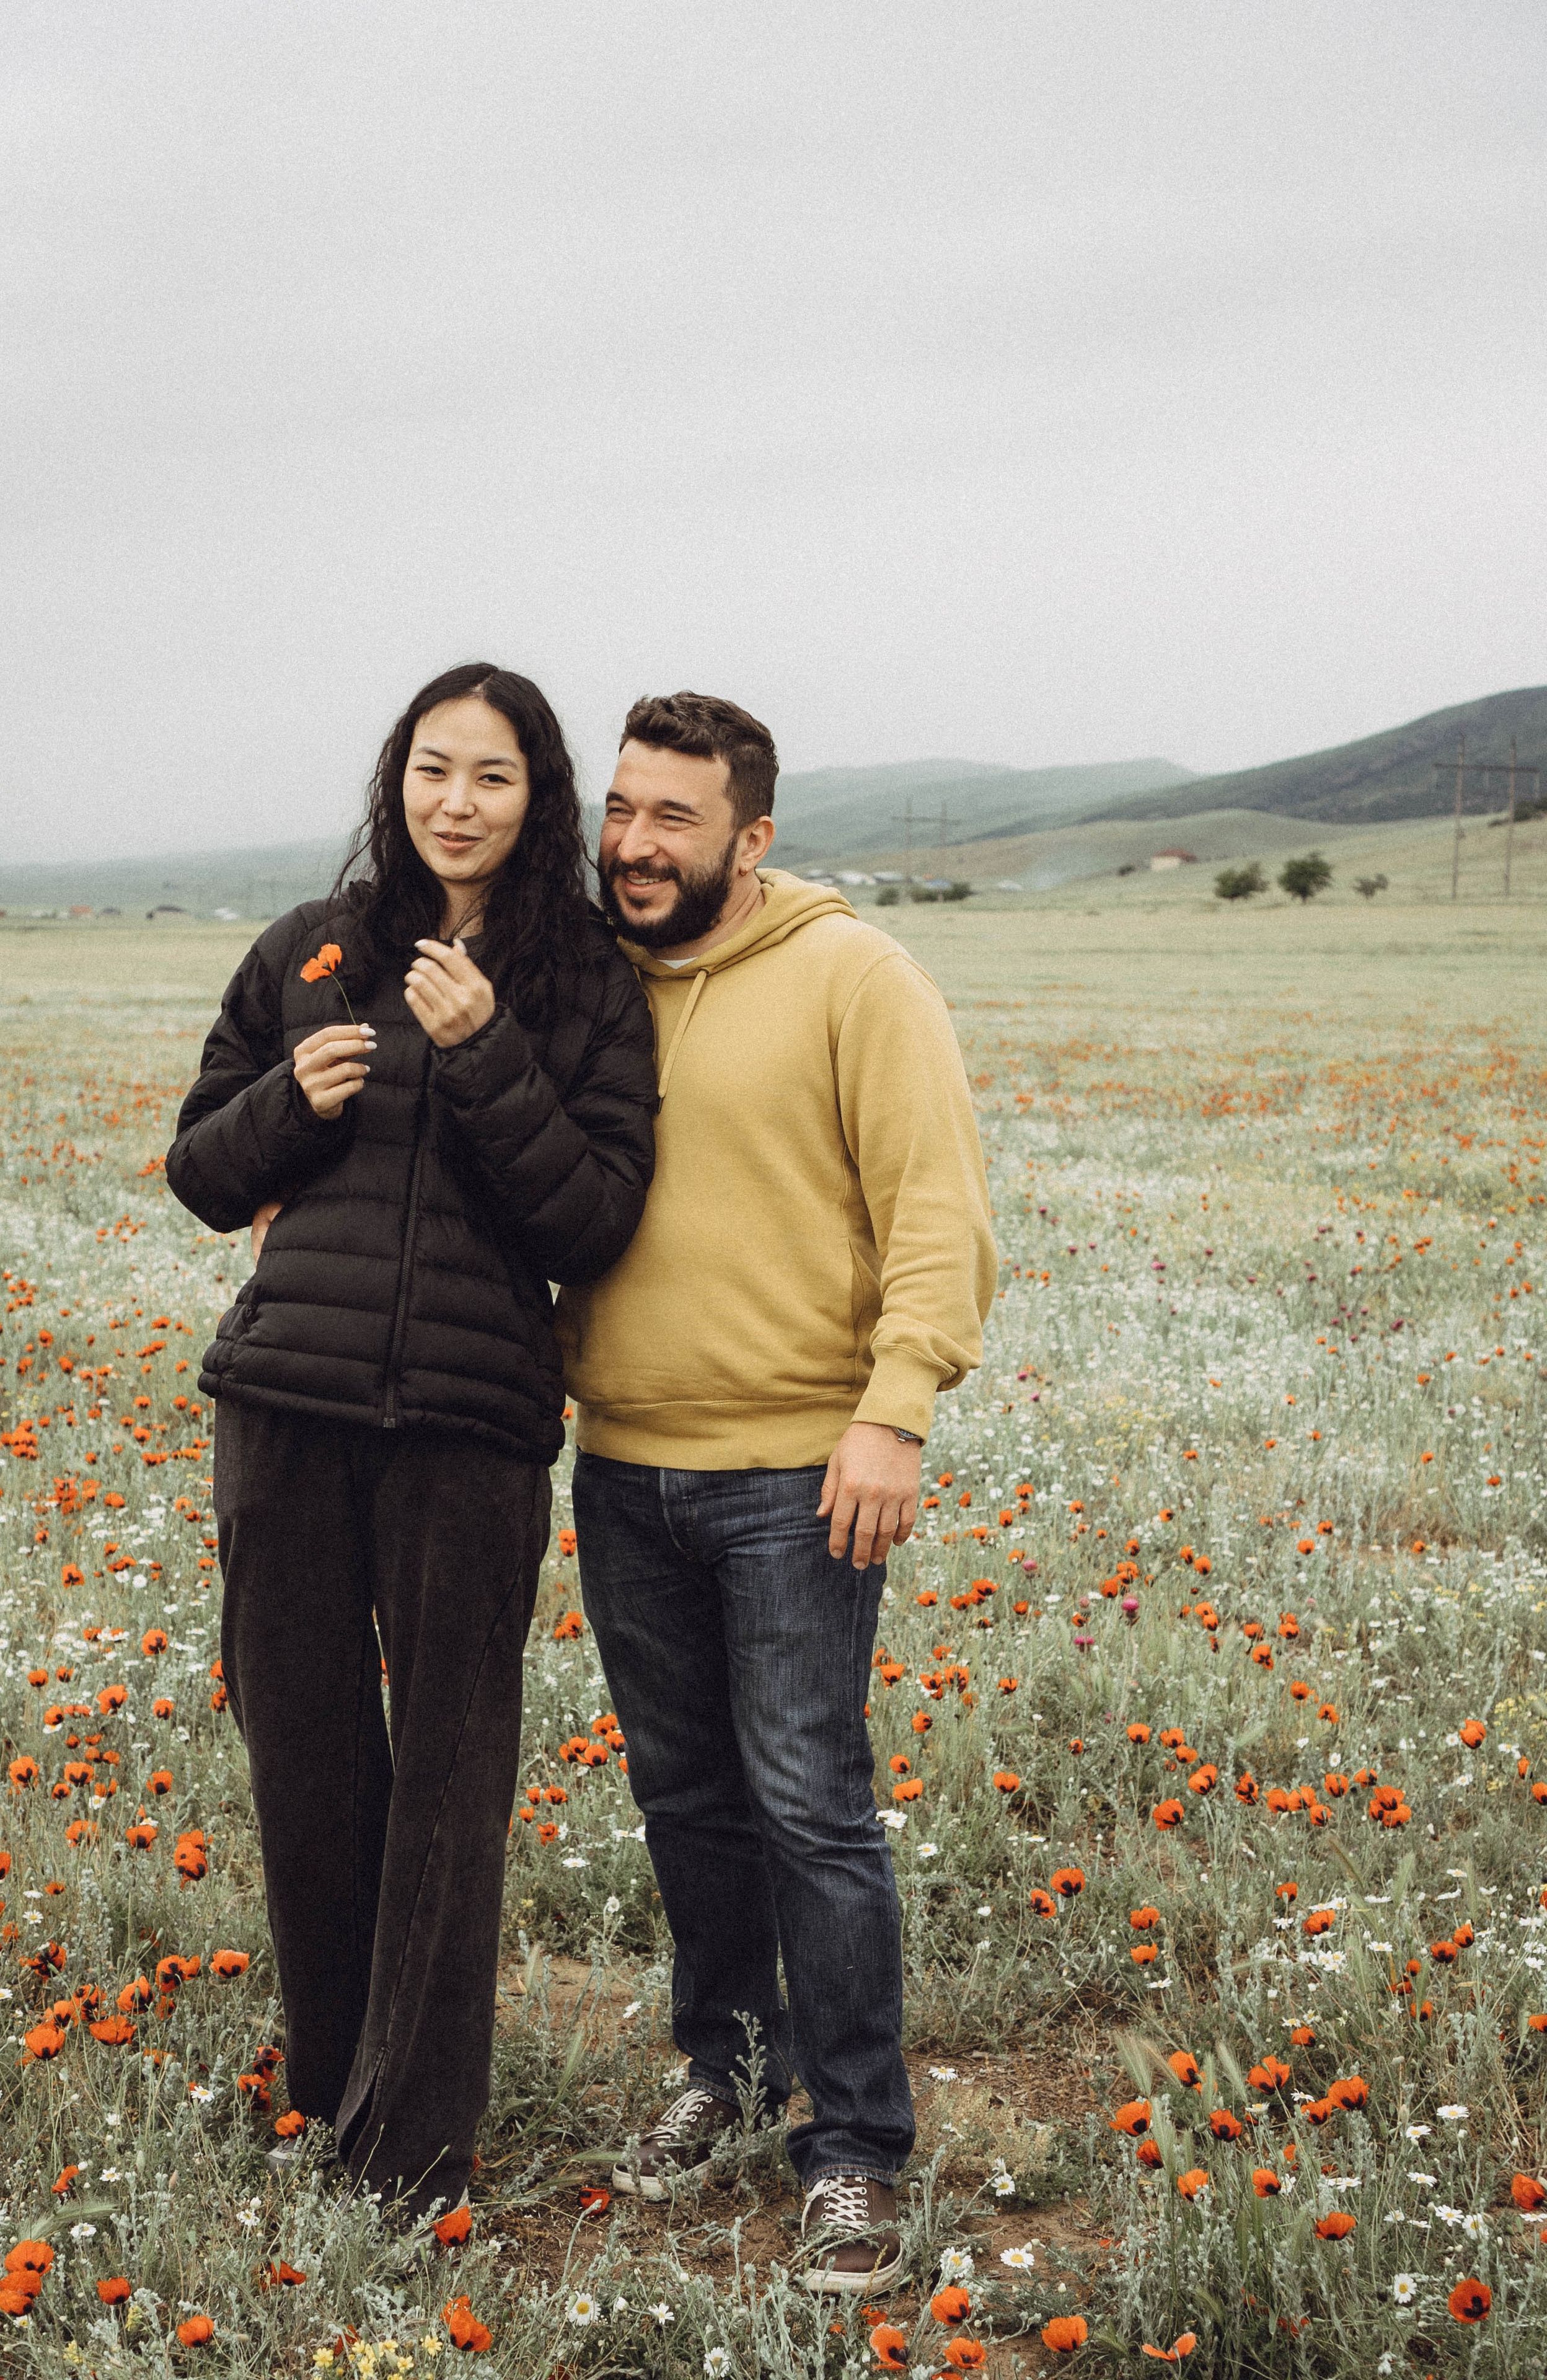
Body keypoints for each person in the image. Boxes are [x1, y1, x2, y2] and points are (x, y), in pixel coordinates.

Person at [165, 663, 656, 2209]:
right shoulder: (309, 951)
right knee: (303, 1759)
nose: (458, 801)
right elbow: (197, 1168)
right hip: (284, 1410)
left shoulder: (582, 982)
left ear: (538, 798)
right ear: (397, 783)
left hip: (471, 1425)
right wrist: (288, 1114)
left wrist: (493, 1056)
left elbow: (594, 1217)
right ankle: (329, 2096)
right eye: (434, 770)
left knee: (450, 1781)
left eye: (493, 777)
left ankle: (415, 2151)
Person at [555, 691, 997, 2293]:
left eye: (673, 817)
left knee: (810, 1803)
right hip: (621, 1466)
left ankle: (858, 2147)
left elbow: (937, 1201)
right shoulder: (588, 976)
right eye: (620, 808)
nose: (635, 843)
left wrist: (896, 1411)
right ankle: (723, 2071)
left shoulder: (853, 974)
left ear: (752, 836)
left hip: (799, 1470)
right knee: (686, 1800)